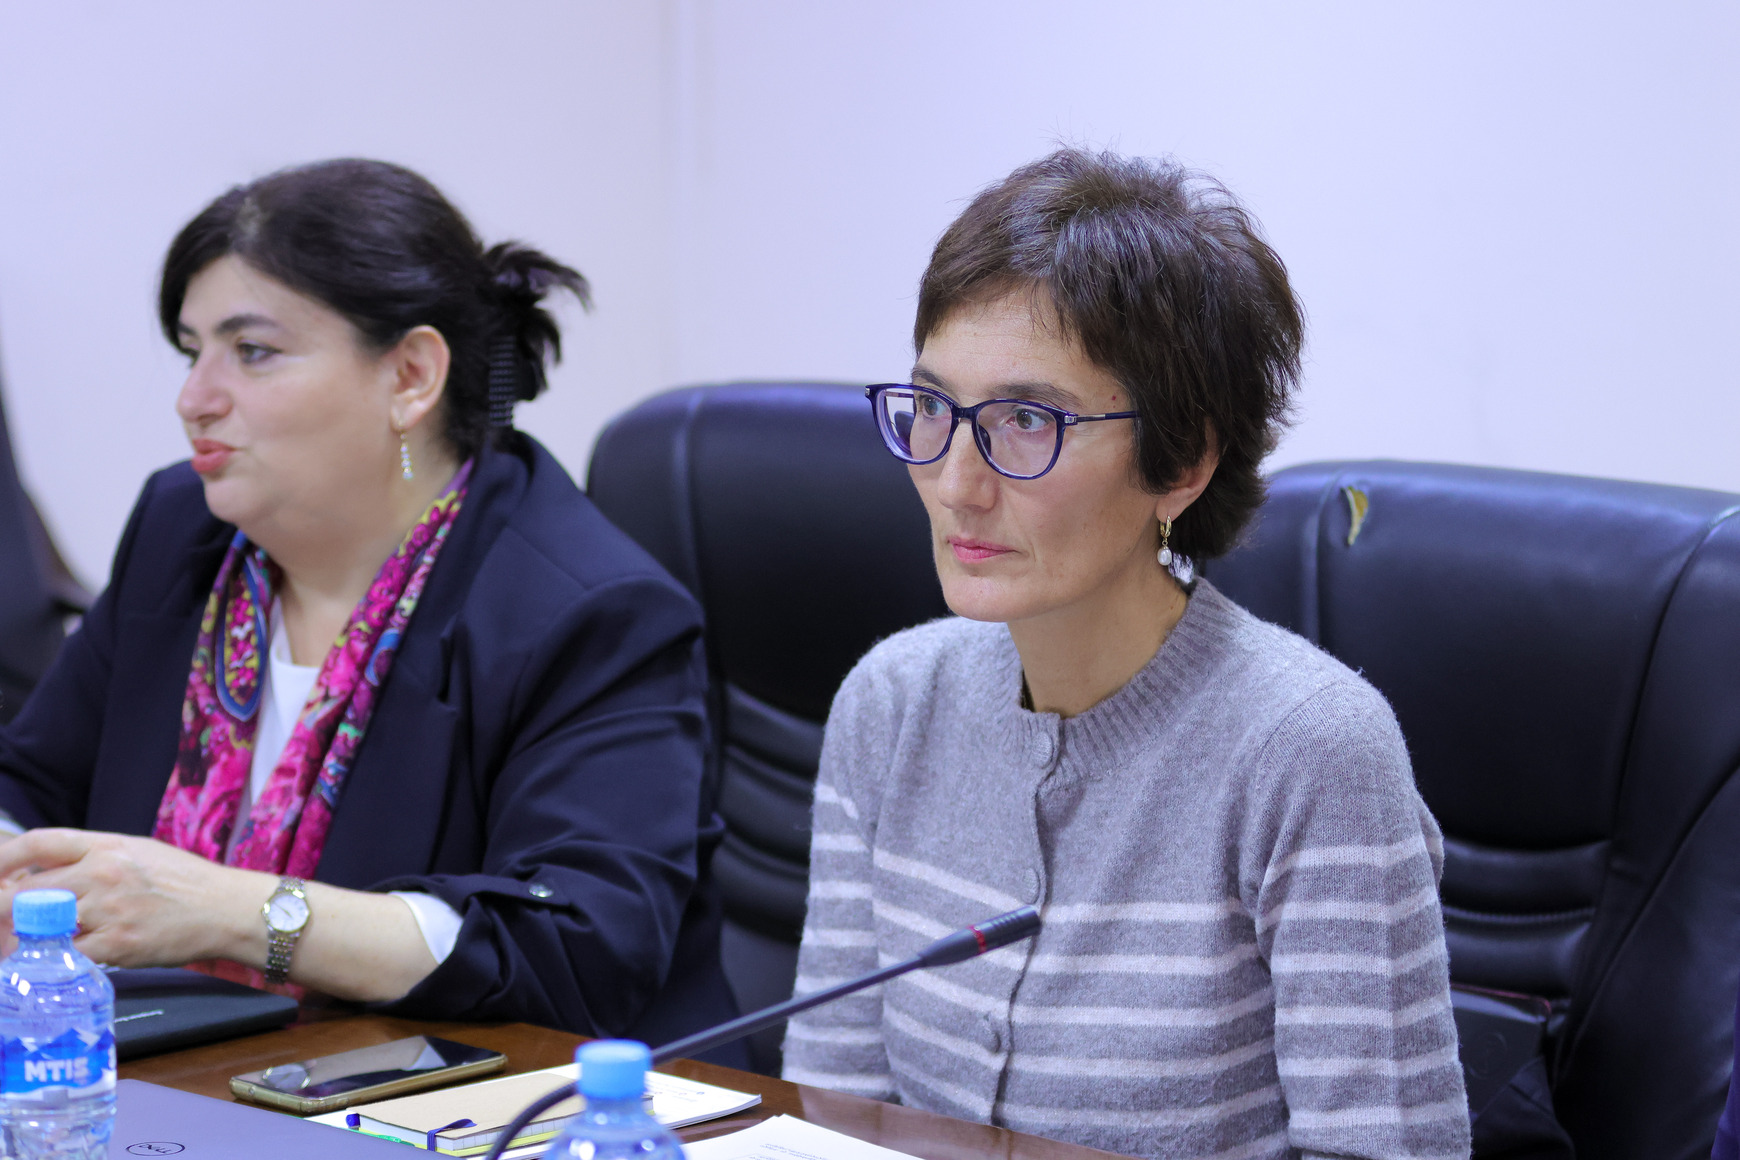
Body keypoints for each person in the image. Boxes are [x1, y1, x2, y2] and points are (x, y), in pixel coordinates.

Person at [783, 150, 1470, 1159]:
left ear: (1182, 461)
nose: (957, 483)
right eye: (933, 408)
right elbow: (831, 1114)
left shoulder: (1310, 752)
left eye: (1027, 420)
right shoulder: (891, 703)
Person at [0, 159, 738, 1049]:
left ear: (411, 377)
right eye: (193, 353)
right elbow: (32, 783)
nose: (194, 400)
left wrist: (230, 911)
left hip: (506, 1096)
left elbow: (575, 949)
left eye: (253, 351)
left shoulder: (588, 611)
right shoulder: (181, 530)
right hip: (199, 1074)